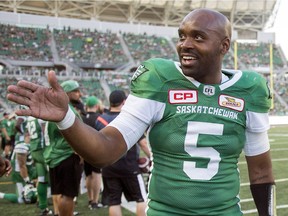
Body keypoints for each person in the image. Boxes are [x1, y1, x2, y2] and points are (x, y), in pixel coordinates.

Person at [7, 8, 276, 216]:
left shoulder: (248, 90)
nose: (185, 44)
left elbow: (261, 174)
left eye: (198, 37)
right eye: (182, 36)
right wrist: (67, 118)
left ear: (224, 46)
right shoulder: (160, 80)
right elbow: (104, 150)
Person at [95, 90, 149, 216]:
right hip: (129, 166)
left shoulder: (100, 119)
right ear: (124, 101)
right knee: (141, 199)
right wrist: (151, 157)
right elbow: (143, 143)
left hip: (109, 167)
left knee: (114, 202)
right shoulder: (130, 118)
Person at [43, 80, 83, 216]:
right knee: (68, 195)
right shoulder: (67, 110)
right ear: (67, 93)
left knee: (59, 193)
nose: (80, 94)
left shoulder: (55, 108)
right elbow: (78, 137)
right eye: (76, 91)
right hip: (66, 156)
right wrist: (81, 154)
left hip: (54, 155)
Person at [26, 116, 52, 215]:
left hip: (34, 150)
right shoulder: (40, 115)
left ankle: (43, 207)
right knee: (56, 178)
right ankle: (60, 210)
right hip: (43, 151)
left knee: (42, 180)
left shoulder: (29, 118)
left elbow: (27, 134)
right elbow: (46, 131)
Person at [82, 95, 103, 210]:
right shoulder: (99, 117)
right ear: (96, 105)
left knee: (88, 175)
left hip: (84, 150)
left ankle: (90, 199)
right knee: (97, 175)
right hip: (96, 150)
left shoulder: (82, 118)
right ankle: (95, 201)